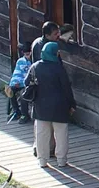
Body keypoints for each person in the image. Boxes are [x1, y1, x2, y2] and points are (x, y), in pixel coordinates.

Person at [23, 38, 76, 168]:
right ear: (54, 53)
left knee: (41, 134)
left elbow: (26, 82)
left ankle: (42, 160)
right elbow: (66, 88)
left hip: (41, 106)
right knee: (61, 134)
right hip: (60, 106)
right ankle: (61, 160)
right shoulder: (59, 68)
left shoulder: (35, 67)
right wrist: (72, 104)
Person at [5, 45, 33, 124]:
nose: (27, 56)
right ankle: (16, 111)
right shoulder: (20, 61)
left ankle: (25, 115)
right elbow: (17, 73)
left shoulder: (33, 63)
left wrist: (22, 83)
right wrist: (14, 83)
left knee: (22, 94)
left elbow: (30, 76)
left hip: (28, 84)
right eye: (26, 54)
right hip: (18, 82)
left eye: (29, 54)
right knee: (9, 90)